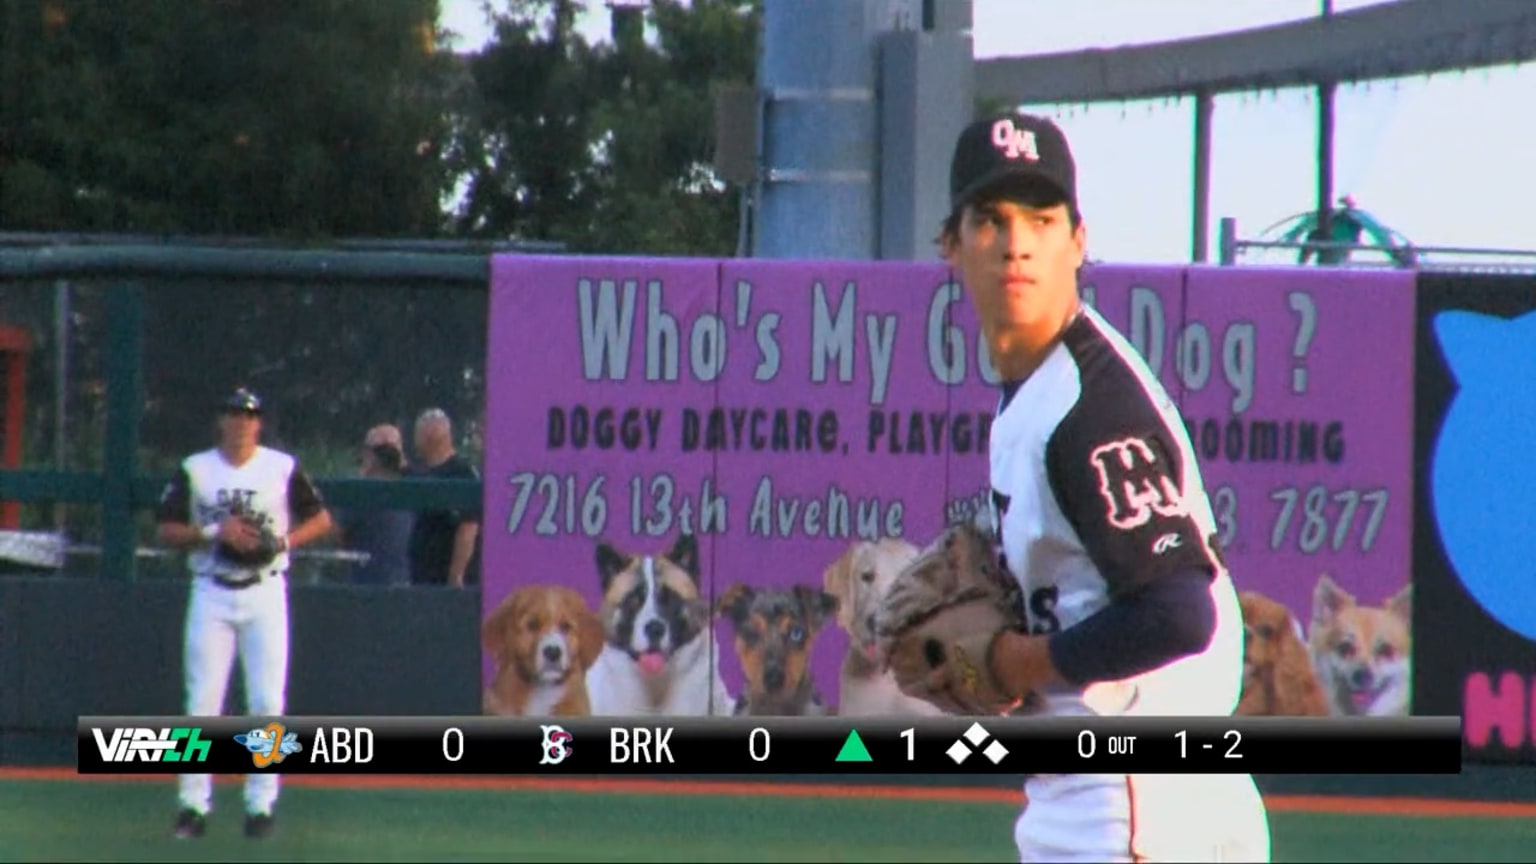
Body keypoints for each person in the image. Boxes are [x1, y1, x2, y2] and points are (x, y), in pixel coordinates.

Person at [938, 112, 1271, 862]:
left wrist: (1018, 662)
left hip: (1129, 804)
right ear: (952, 246)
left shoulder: (1083, 408)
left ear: (1077, 242)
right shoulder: (1042, 388)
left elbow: (1181, 614)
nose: (1018, 242)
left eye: (1042, 219)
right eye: (991, 219)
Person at [155, 387, 333, 840]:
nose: (240, 422)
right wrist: (218, 530)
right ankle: (192, 806)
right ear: (221, 421)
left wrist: (282, 541)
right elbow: (168, 528)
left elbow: (320, 518)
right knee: (201, 704)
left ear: (260, 423)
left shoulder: (280, 467)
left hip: (265, 591)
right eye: (233, 414)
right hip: (212, 589)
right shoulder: (197, 468)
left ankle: (260, 805)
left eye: (248, 415)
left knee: (267, 703)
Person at [407, 408, 481, 588]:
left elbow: (468, 527)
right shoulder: (421, 473)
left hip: (445, 582)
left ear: (426, 437)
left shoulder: (462, 473)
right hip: (421, 579)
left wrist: (456, 576)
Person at [335, 427, 412, 587]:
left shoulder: (414, 488)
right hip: (379, 584)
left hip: (390, 586)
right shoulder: (361, 492)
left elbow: (336, 535)